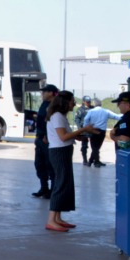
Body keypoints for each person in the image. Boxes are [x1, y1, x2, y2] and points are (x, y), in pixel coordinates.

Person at [45, 90, 95, 232]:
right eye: (72, 101)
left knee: (65, 182)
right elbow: (63, 137)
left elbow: (65, 135)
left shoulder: (59, 116)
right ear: (65, 102)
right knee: (60, 183)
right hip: (59, 152)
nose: (74, 104)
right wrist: (83, 129)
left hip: (63, 151)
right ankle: (51, 219)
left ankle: (57, 218)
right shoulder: (57, 116)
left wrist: (80, 136)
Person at [32, 84, 59, 198]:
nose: (42, 94)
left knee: (50, 165)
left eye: (45, 92)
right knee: (39, 164)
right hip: (40, 139)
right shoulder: (44, 104)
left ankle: (53, 190)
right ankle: (44, 187)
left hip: (48, 140)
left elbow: (53, 122)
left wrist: (47, 136)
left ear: (51, 93)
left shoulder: (55, 106)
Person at [82, 100, 121, 166]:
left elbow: (86, 119)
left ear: (94, 104)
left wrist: (85, 127)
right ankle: (94, 161)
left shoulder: (91, 111)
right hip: (102, 131)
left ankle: (92, 161)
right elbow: (116, 116)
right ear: (101, 104)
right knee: (97, 147)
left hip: (93, 130)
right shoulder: (106, 111)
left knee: (95, 147)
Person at [74, 96, 94, 165]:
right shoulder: (80, 109)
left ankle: (93, 159)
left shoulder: (93, 108)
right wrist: (80, 129)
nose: (88, 103)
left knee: (94, 146)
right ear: (83, 102)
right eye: (87, 102)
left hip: (92, 129)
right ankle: (85, 159)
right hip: (84, 130)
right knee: (84, 146)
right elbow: (77, 119)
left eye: (89, 102)